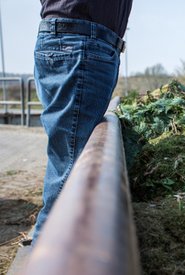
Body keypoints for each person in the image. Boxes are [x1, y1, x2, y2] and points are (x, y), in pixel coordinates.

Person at [32, 0, 133, 243]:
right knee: (70, 168)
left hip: (77, 38)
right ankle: (48, 256)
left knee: (67, 159)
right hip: (81, 42)